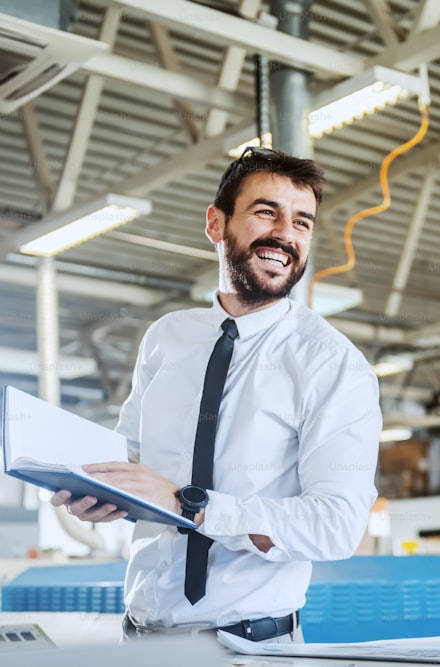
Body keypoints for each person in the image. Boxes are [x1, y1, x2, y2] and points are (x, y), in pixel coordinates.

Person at [50, 147, 382, 645]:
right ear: (215, 223)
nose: (286, 234)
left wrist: (190, 505)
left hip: (250, 648)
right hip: (140, 640)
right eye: (266, 211)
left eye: (303, 222)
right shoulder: (166, 338)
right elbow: (135, 462)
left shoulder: (331, 363)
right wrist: (99, 492)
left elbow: (337, 526)